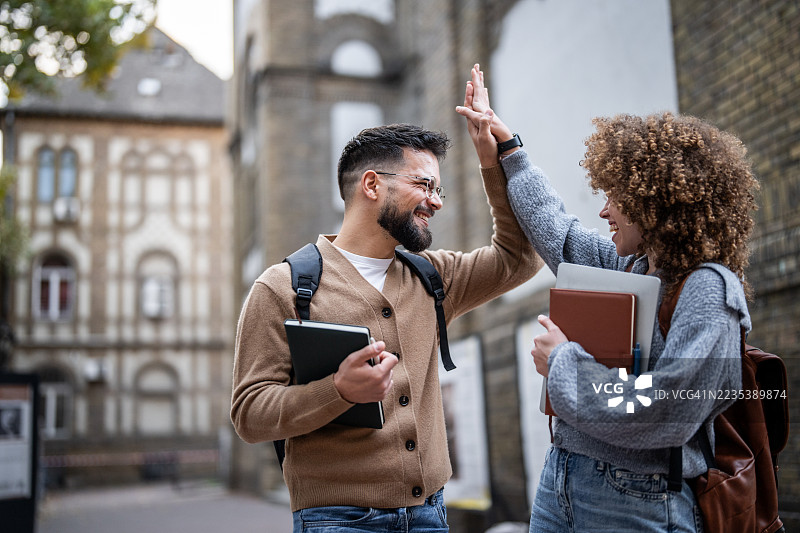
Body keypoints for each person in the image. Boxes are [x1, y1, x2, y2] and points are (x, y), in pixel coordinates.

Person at [456, 65, 758, 533]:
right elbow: (556, 229)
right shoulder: (631, 267)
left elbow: (671, 409)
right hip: (561, 478)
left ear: (652, 200)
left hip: (640, 499)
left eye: (613, 196)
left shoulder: (708, 289)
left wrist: (563, 364)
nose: (603, 210)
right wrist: (510, 149)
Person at [230, 122, 542, 532]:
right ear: (373, 185)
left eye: (439, 190)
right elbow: (250, 413)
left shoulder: (433, 276)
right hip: (337, 520)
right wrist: (338, 391)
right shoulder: (283, 288)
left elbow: (521, 257)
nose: (436, 202)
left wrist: (497, 159)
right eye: (425, 184)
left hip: (431, 513)